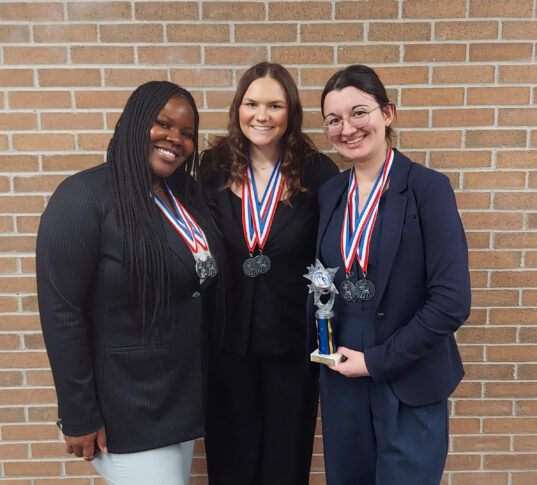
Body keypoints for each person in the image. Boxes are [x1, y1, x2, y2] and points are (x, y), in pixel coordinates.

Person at [36, 81, 222, 485]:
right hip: (128, 408)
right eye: (163, 124)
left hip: (180, 400)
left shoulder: (184, 195)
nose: (176, 139)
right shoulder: (84, 196)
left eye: (188, 134)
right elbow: (61, 312)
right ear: (134, 123)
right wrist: (78, 412)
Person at [314, 64, 471, 485]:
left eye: (358, 112)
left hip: (408, 381)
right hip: (343, 379)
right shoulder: (330, 194)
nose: (346, 128)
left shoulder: (428, 189)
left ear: (388, 113)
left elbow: (451, 302)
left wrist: (376, 362)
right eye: (334, 119)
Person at [200, 62, 339, 485]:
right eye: (252, 103)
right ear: (238, 108)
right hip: (225, 342)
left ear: (291, 112)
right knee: (230, 459)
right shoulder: (211, 167)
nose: (261, 115)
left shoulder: (319, 173)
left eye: (274, 105)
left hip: (292, 345)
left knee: (285, 458)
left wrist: (328, 335)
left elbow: (326, 263)